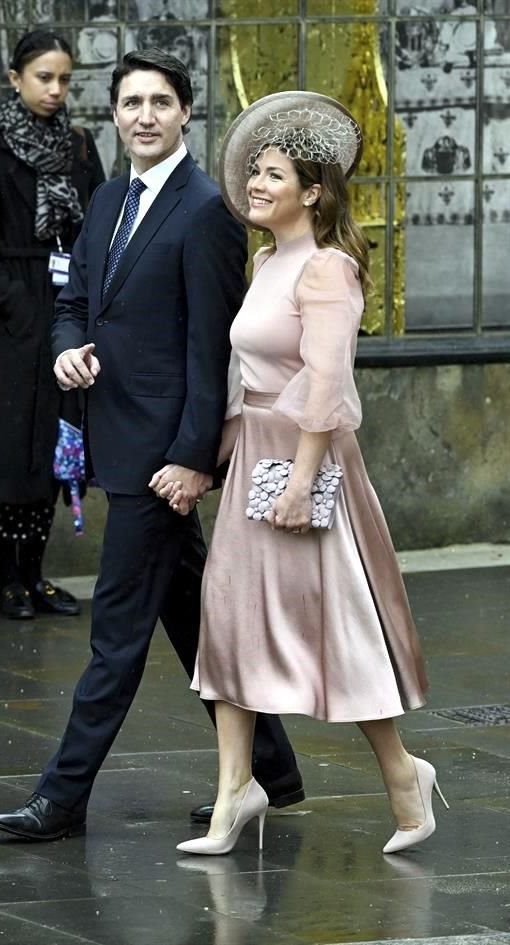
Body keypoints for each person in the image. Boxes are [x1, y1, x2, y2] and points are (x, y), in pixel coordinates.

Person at [0, 49, 303, 841]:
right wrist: (67, 345)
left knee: (116, 635)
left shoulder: (204, 210)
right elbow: (77, 298)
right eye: (131, 102)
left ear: (187, 113)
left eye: (160, 101)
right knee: (192, 613)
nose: (144, 116)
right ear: (116, 113)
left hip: (161, 461)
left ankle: (60, 797)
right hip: (115, 437)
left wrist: (196, 457)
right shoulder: (107, 200)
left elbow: (211, 349)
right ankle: (273, 771)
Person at [167, 91, 447, 857]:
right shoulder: (266, 261)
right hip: (256, 456)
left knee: (341, 630)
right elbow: (244, 374)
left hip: (306, 466)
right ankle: (235, 793)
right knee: (227, 620)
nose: (256, 183)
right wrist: (217, 456)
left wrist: (300, 480)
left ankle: (403, 774)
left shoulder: (327, 270)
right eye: (254, 171)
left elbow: (326, 384)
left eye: (275, 173)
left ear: (314, 191)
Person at [0, 30, 105, 620]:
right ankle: (7, 580)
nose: (56, 89)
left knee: (53, 450)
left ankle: (36, 576)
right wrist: (19, 309)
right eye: (44, 77)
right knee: (8, 449)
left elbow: (96, 229)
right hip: (10, 325)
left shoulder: (81, 148)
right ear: (16, 79)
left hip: (66, 317)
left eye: (64, 78)